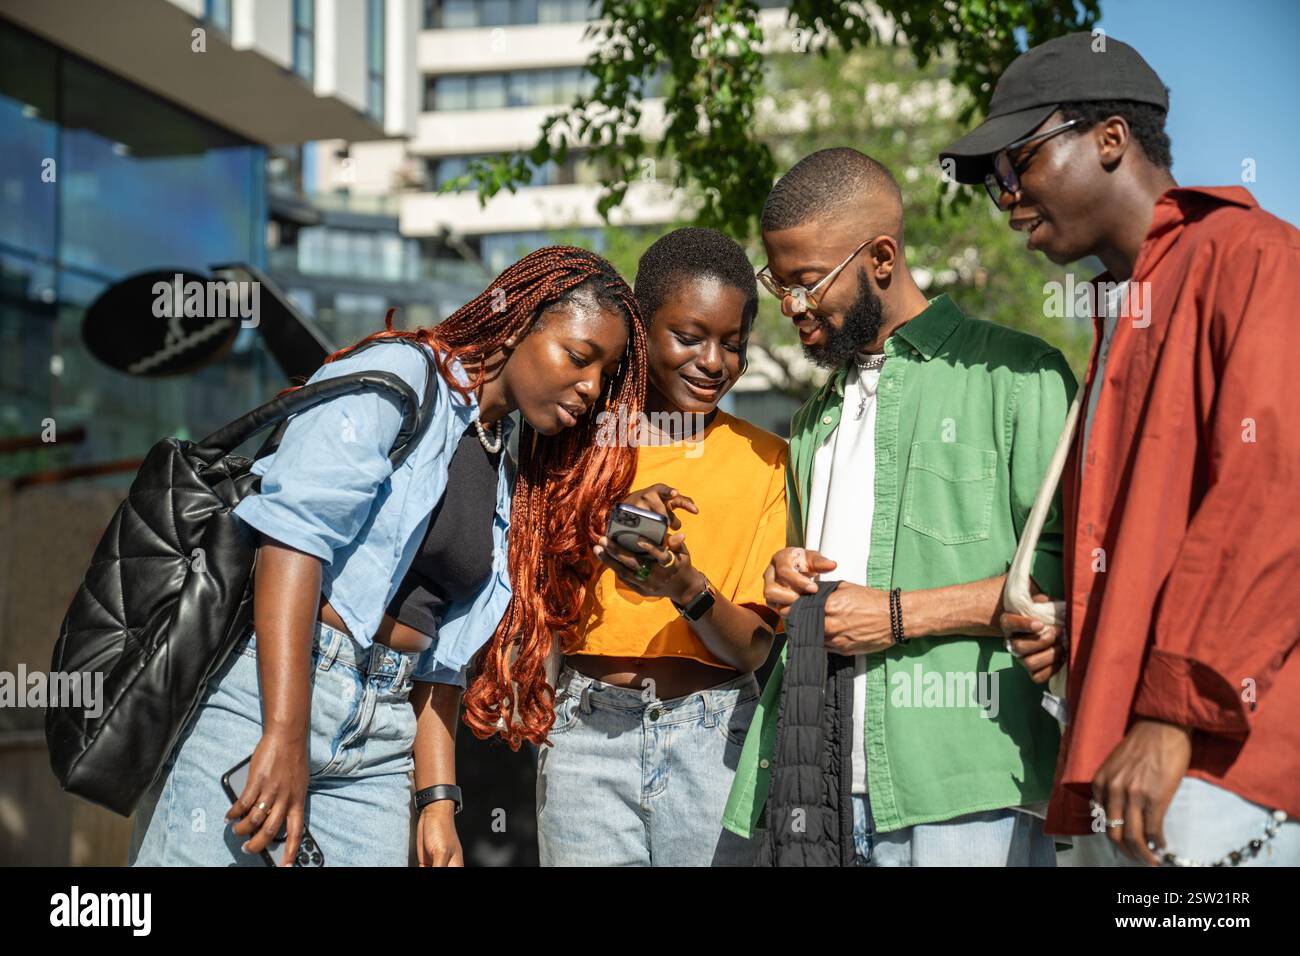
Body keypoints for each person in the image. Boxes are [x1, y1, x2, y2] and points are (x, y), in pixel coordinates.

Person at [129, 246, 647, 867]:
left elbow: (442, 659)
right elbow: (293, 538)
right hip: (274, 696)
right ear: (519, 322)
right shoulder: (400, 375)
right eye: (579, 356)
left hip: (383, 740)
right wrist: (286, 732)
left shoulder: (504, 460)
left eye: (604, 374)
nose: (591, 388)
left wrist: (436, 802)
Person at [942, 32, 1300, 867]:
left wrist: (1176, 710)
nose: (1007, 199)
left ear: (1109, 139)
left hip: (1219, 765)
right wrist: (1090, 634)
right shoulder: (1124, 311)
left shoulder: (1253, 258)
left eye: (1018, 163)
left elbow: (1272, 493)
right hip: (1131, 760)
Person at [722, 148, 1075, 866]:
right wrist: (785, 577)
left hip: (965, 783)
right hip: (818, 783)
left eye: (807, 282)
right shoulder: (815, 415)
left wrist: (892, 615)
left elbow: (1065, 587)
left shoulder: (1018, 374)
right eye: (777, 283)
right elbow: (809, 586)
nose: (791, 306)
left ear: (881, 256)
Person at [535, 228, 787, 866]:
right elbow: (535, 595)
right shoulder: (573, 440)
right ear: (640, 332)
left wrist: (684, 586)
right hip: (586, 736)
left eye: (733, 344)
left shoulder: (767, 462)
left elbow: (755, 648)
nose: (713, 361)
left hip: (716, 741)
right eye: (690, 337)